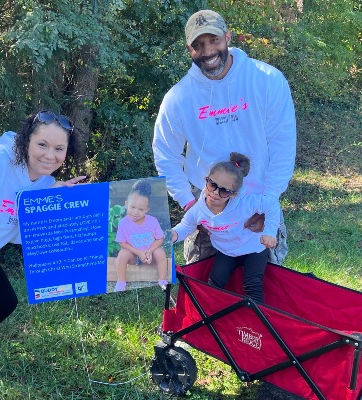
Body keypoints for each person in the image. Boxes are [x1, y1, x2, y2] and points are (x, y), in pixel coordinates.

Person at [153, 9, 296, 265]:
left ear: (228, 36)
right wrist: (191, 207)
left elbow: (282, 145)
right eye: (198, 45)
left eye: (214, 40)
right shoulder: (178, 98)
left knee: (263, 285)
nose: (208, 51)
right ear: (189, 49)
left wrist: (268, 201)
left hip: (257, 202)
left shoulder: (267, 80)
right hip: (208, 203)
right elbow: (166, 155)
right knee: (206, 285)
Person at [0, 110, 87, 378]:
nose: (50, 155)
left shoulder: (45, 185)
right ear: (25, 141)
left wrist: (54, 206)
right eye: (42, 144)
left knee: (2, 302)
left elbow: (19, 233)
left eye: (59, 148)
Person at [172, 152, 279, 303]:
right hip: (226, 251)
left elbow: (271, 205)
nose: (215, 193)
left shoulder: (244, 203)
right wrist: (173, 235)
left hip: (253, 248)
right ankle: (211, 314)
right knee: (214, 283)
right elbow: (186, 226)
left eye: (223, 190)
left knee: (252, 285)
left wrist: (270, 232)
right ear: (206, 180)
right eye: (212, 184)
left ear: (233, 194)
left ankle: (256, 317)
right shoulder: (199, 209)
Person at [114, 179, 168, 292]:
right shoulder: (123, 223)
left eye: (141, 209)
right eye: (132, 207)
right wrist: (138, 252)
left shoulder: (152, 221)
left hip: (150, 255)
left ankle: (162, 280)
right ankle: (121, 281)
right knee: (122, 254)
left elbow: (160, 238)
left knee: (160, 252)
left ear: (147, 209)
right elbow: (122, 242)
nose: (135, 212)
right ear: (126, 204)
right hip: (134, 256)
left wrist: (150, 251)